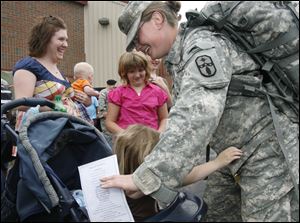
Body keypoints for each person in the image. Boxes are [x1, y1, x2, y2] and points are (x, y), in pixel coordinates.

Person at [99, 1, 299, 222]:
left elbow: (199, 111)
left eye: (137, 36)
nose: (137, 47)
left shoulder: (202, 45)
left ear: (157, 19)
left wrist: (148, 176)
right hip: (234, 154)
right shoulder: (179, 56)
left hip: (266, 153)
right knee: (213, 214)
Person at [101, 124, 243, 221]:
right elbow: (190, 176)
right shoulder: (135, 186)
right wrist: (217, 162)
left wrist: (217, 162)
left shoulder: (113, 177)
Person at [12, 15, 92, 131]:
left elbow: (66, 100)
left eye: (66, 40)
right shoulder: (28, 66)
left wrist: (86, 100)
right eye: (61, 39)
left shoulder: (59, 71)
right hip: (40, 140)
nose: (66, 44)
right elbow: (21, 105)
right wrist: (53, 107)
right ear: (45, 39)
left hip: (64, 136)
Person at [105, 51, 168, 136]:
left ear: (146, 70)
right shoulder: (118, 93)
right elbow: (110, 122)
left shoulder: (157, 91)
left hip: (152, 142)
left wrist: (158, 134)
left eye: (141, 70)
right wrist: (126, 135)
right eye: (132, 71)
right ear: (124, 73)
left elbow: (164, 118)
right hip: (127, 143)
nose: (137, 75)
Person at [98, 79, 117, 144]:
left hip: (111, 117)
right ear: (109, 85)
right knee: (107, 135)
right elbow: (101, 106)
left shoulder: (113, 91)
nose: (113, 87)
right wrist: (106, 114)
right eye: (112, 85)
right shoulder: (103, 92)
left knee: (112, 135)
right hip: (105, 116)